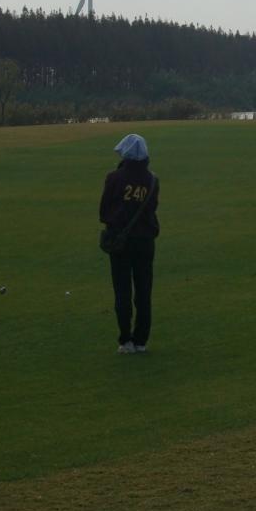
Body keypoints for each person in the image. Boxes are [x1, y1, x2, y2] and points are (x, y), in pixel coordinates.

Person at [99, 133, 160, 353]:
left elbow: (104, 212)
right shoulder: (153, 180)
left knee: (122, 291)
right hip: (145, 242)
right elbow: (152, 209)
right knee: (144, 292)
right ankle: (141, 341)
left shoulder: (113, 178)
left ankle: (125, 340)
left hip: (120, 242)